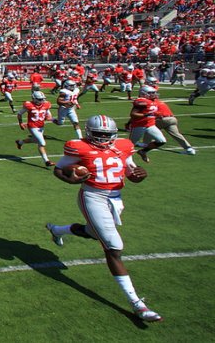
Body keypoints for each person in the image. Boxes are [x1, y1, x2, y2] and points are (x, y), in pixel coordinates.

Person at [45, 115, 162, 322]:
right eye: (98, 134)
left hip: (116, 198)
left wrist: (138, 175)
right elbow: (59, 169)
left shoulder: (124, 145)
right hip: (93, 196)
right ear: (89, 132)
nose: (102, 139)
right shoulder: (78, 146)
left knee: (93, 232)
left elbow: (130, 169)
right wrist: (69, 180)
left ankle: (57, 230)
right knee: (113, 247)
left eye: (106, 135)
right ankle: (136, 303)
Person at [128, 86, 166, 163]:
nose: (153, 94)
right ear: (143, 94)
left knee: (161, 141)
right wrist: (146, 115)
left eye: (154, 92)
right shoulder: (142, 101)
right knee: (131, 144)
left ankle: (143, 151)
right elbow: (133, 114)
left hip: (151, 125)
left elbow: (151, 112)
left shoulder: (153, 101)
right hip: (139, 125)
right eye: (151, 93)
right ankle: (126, 159)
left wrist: (157, 115)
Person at [16, 91, 54, 166]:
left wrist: (49, 117)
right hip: (32, 126)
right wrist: (20, 123)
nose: (42, 101)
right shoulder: (29, 105)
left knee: (36, 140)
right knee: (42, 143)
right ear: (34, 99)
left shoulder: (46, 104)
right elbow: (19, 113)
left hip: (41, 126)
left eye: (42, 99)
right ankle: (47, 161)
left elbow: (48, 114)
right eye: (40, 99)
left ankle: (20, 142)